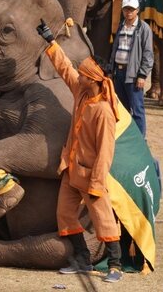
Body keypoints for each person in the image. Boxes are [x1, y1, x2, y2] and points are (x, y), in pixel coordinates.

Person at [38, 20, 123, 284]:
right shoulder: (82, 92)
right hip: (71, 169)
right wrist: (51, 42)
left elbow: (106, 152)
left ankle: (116, 265)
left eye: (85, 75)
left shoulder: (104, 112)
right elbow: (65, 69)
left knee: (103, 220)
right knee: (64, 214)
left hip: (91, 176)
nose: (80, 76)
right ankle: (83, 260)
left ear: (95, 80)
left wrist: (97, 182)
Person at [109, 0, 154, 136]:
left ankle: (141, 139)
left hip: (133, 75)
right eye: (126, 9)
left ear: (137, 10)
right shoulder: (121, 26)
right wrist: (111, 70)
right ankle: (125, 137)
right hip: (119, 73)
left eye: (131, 9)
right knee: (121, 109)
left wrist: (142, 75)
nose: (128, 12)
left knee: (137, 109)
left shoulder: (144, 29)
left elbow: (148, 54)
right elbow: (115, 49)